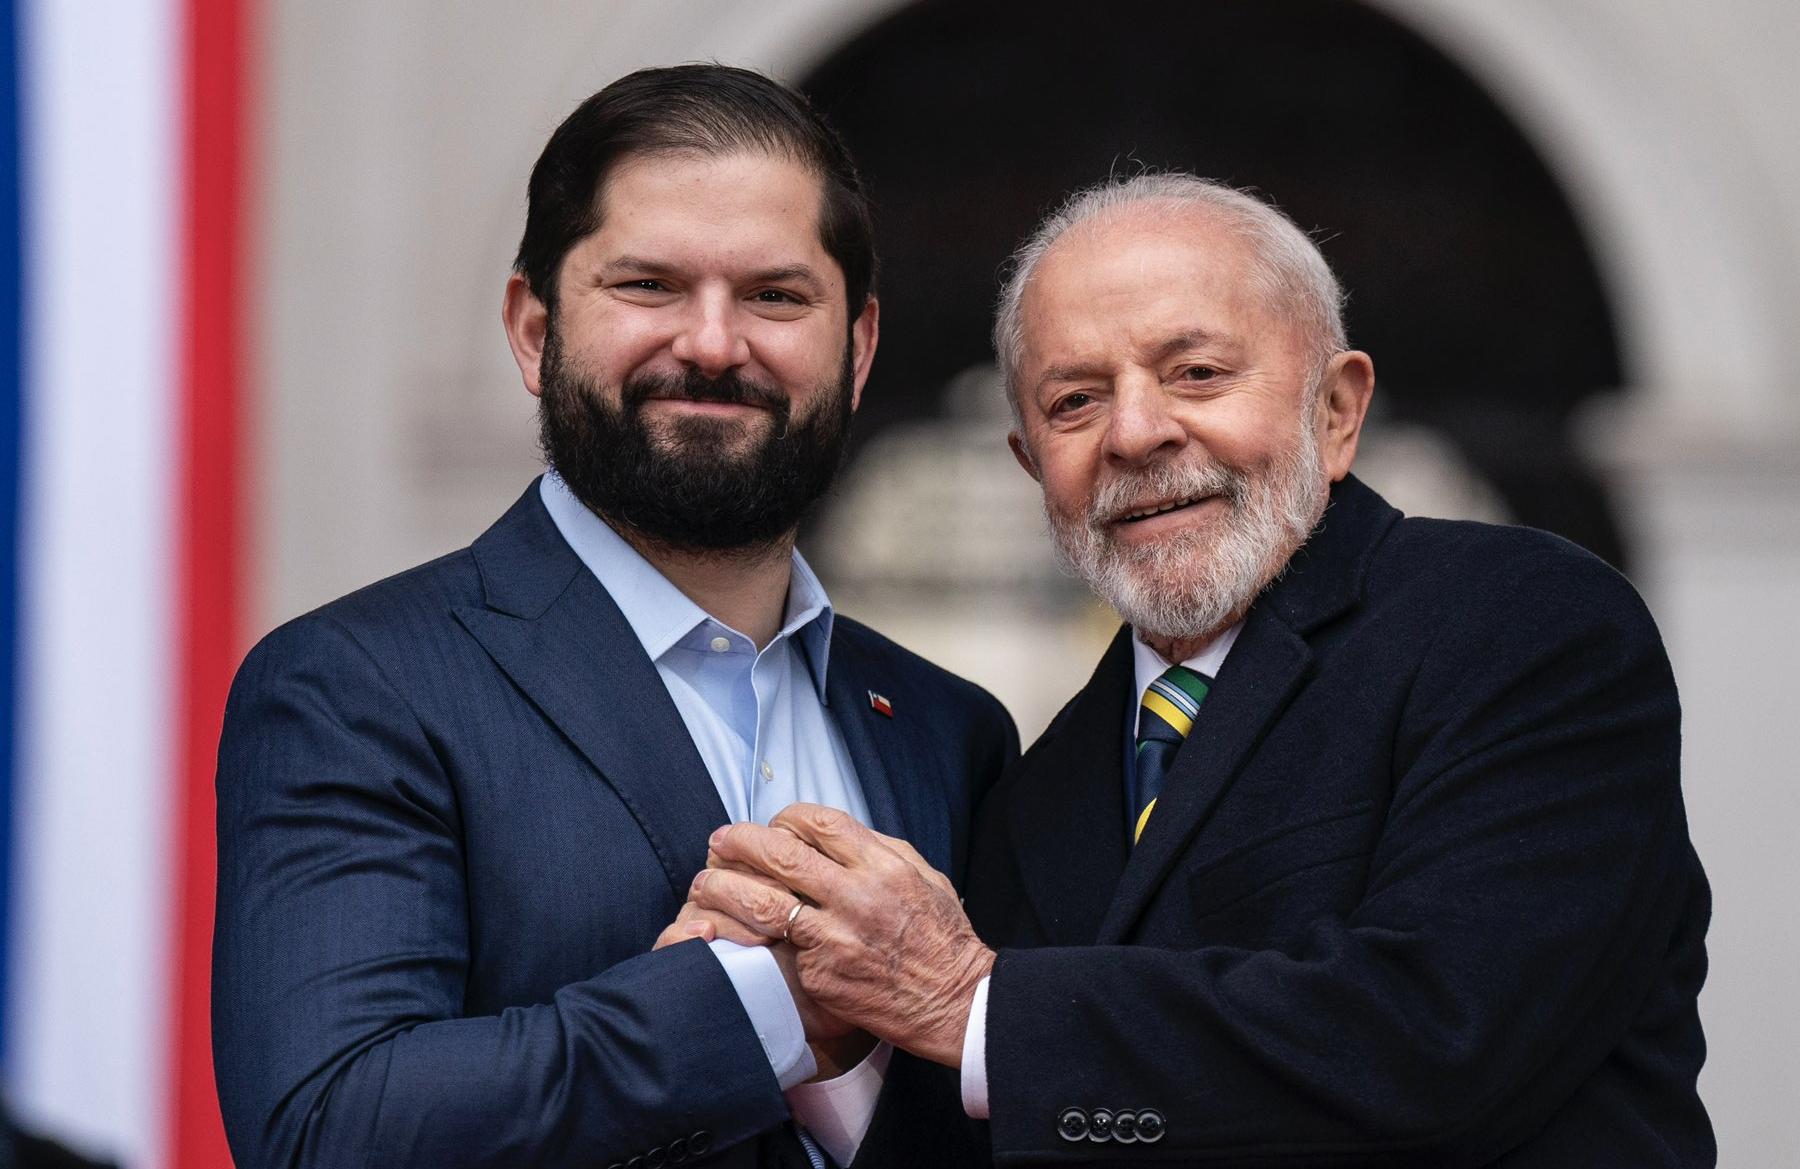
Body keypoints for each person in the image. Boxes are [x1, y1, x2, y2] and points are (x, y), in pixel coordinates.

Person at [681, 173, 1714, 1166]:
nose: (1136, 432)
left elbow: (1442, 1038)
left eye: (1198, 374)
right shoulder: (1041, 781)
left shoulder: (1519, 625)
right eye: (1075, 402)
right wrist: (831, 1042)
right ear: (1033, 466)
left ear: (1338, 411)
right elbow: (1025, 1112)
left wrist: (971, 1002)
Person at [211, 64, 1015, 1169]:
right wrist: (753, 1008)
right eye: (648, 285)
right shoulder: (357, 685)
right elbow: (327, 1129)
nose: (715, 342)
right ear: (533, 329)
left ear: (860, 346)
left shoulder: (946, 725)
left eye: (777, 295)